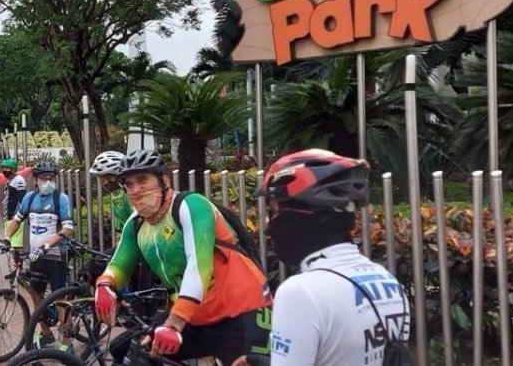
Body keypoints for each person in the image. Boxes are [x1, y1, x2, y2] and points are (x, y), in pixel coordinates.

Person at [94, 149, 271, 364]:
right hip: (195, 316)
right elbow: (119, 264)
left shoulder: (191, 205)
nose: (136, 190)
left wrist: (173, 323)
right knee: (138, 354)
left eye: (143, 180)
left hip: (242, 310)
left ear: (165, 180)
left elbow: (199, 267)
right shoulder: (137, 223)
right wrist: (105, 284)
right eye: (129, 185)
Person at [235, 149, 410, 366]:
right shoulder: (388, 281)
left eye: (273, 212)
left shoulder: (300, 293)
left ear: (299, 217)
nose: (268, 228)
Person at [4, 159, 73, 348]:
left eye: (51, 178)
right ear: (35, 180)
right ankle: (45, 333)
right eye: (43, 178)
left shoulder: (61, 199)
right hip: (36, 257)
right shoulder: (29, 198)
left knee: (60, 299)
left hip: (56, 255)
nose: (48, 181)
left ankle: (66, 342)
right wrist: (7, 237)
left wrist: (47, 246)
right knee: (36, 295)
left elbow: (67, 228)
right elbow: (16, 220)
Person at [89, 151, 133, 237]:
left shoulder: (128, 194)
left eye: (103, 178)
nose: (102, 183)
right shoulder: (115, 193)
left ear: (113, 177)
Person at [0, 158, 29, 252]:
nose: (5, 170)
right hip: (8, 216)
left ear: (13, 169)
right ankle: (16, 264)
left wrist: (17, 217)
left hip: (14, 217)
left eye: (8, 168)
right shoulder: (9, 180)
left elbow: (21, 200)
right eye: (4, 168)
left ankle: (19, 265)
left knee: (16, 245)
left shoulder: (19, 181)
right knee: (11, 243)